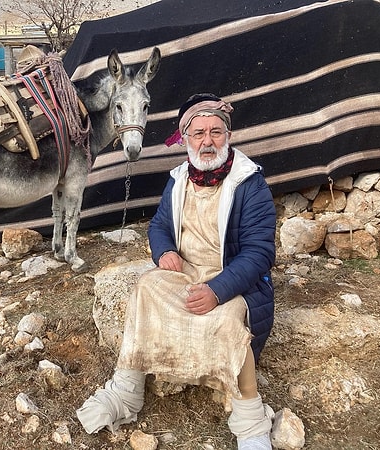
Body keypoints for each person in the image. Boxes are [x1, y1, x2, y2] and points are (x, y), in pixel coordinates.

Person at [77, 93, 277, 449]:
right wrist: (165, 250)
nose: (207, 141)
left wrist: (217, 290)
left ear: (227, 136)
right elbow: (159, 225)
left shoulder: (249, 183)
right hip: (185, 272)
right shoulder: (180, 178)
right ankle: (127, 392)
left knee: (229, 319)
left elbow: (259, 253)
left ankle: (250, 421)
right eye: (198, 133)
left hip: (232, 280)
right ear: (186, 139)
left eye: (216, 132)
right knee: (145, 289)